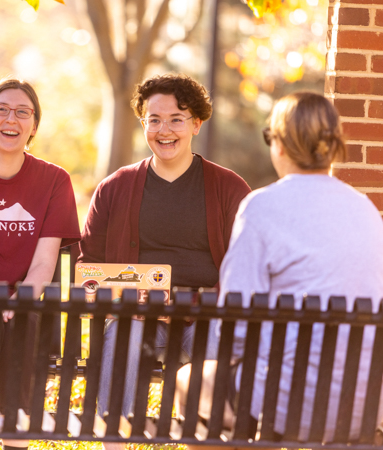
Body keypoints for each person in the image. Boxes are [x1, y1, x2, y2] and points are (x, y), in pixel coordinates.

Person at [175, 91, 383, 444]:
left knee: (188, 381)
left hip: (287, 404)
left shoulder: (261, 208)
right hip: (365, 402)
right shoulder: (366, 210)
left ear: (278, 144)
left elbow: (235, 321)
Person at [78, 73, 251, 449]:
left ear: (196, 124)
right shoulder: (115, 188)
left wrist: (198, 305)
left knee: (216, 350)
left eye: (176, 118)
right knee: (123, 333)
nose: (164, 129)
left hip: (206, 317)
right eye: (153, 119)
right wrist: (125, 298)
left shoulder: (229, 188)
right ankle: (115, 443)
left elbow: (247, 267)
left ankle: (206, 442)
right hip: (137, 316)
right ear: (143, 124)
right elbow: (90, 268)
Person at [0, 78, 81, 450]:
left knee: (23, 325)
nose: (12, 119)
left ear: (34, 126)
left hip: (23, 300)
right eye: (2, 109)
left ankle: (15, 441)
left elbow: (44, 261)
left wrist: (17, 300)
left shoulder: (55, 180)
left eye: (23, 112)